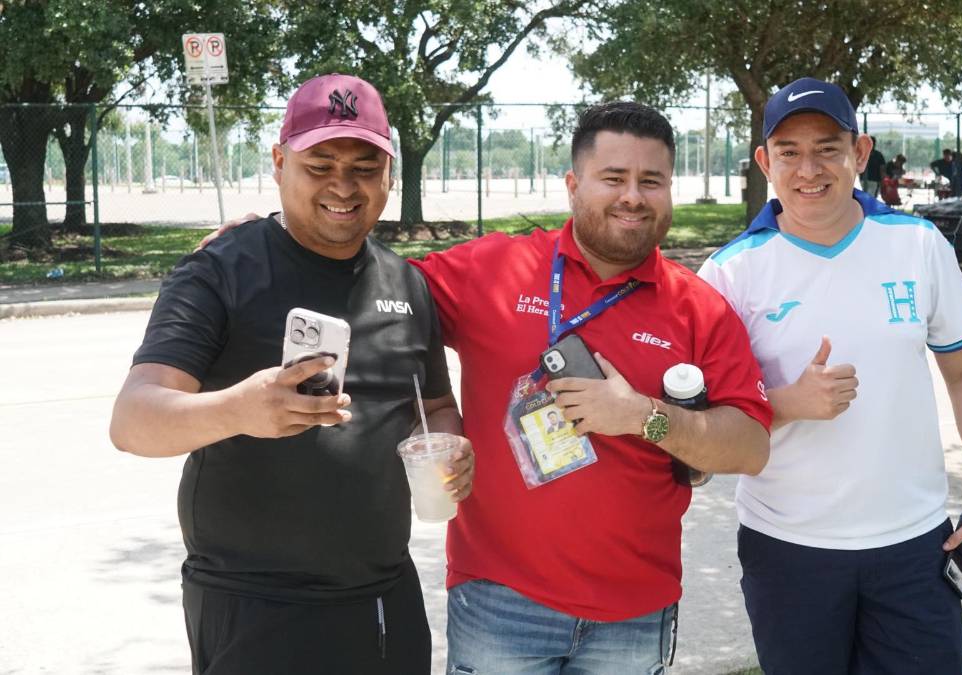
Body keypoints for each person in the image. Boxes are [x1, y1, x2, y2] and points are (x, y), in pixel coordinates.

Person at [203, 101, 774, 672]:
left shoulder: (699, 308)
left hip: (635, 610)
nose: (632, 196)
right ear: (574, 185)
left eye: (651, 181)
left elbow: (749, 446)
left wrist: (641, 414)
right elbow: (361, 279)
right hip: (500, 601)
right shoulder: (493, 269)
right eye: (613, 178)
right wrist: (272, 239)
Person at [109, 74, 475, 675]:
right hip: (253, 603)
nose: (343, 185)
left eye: (364, 166)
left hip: (383, 598)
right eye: (320, 163)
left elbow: (434, 403)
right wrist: (239, 411)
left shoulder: (406, 286)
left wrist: (452, 443)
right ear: (279, 163)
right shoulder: (219, 272)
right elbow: (134, 421)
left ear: (390, 177)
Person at [698, 76, 962, 674]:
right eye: (788, 152)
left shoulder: (917, 246)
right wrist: (786, 402)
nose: (808, 168)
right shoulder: (730, 274)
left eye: (827, 148)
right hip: (788, 549)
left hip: (916, 546)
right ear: (765, 161)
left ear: (859, 153)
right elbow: (709, 426)